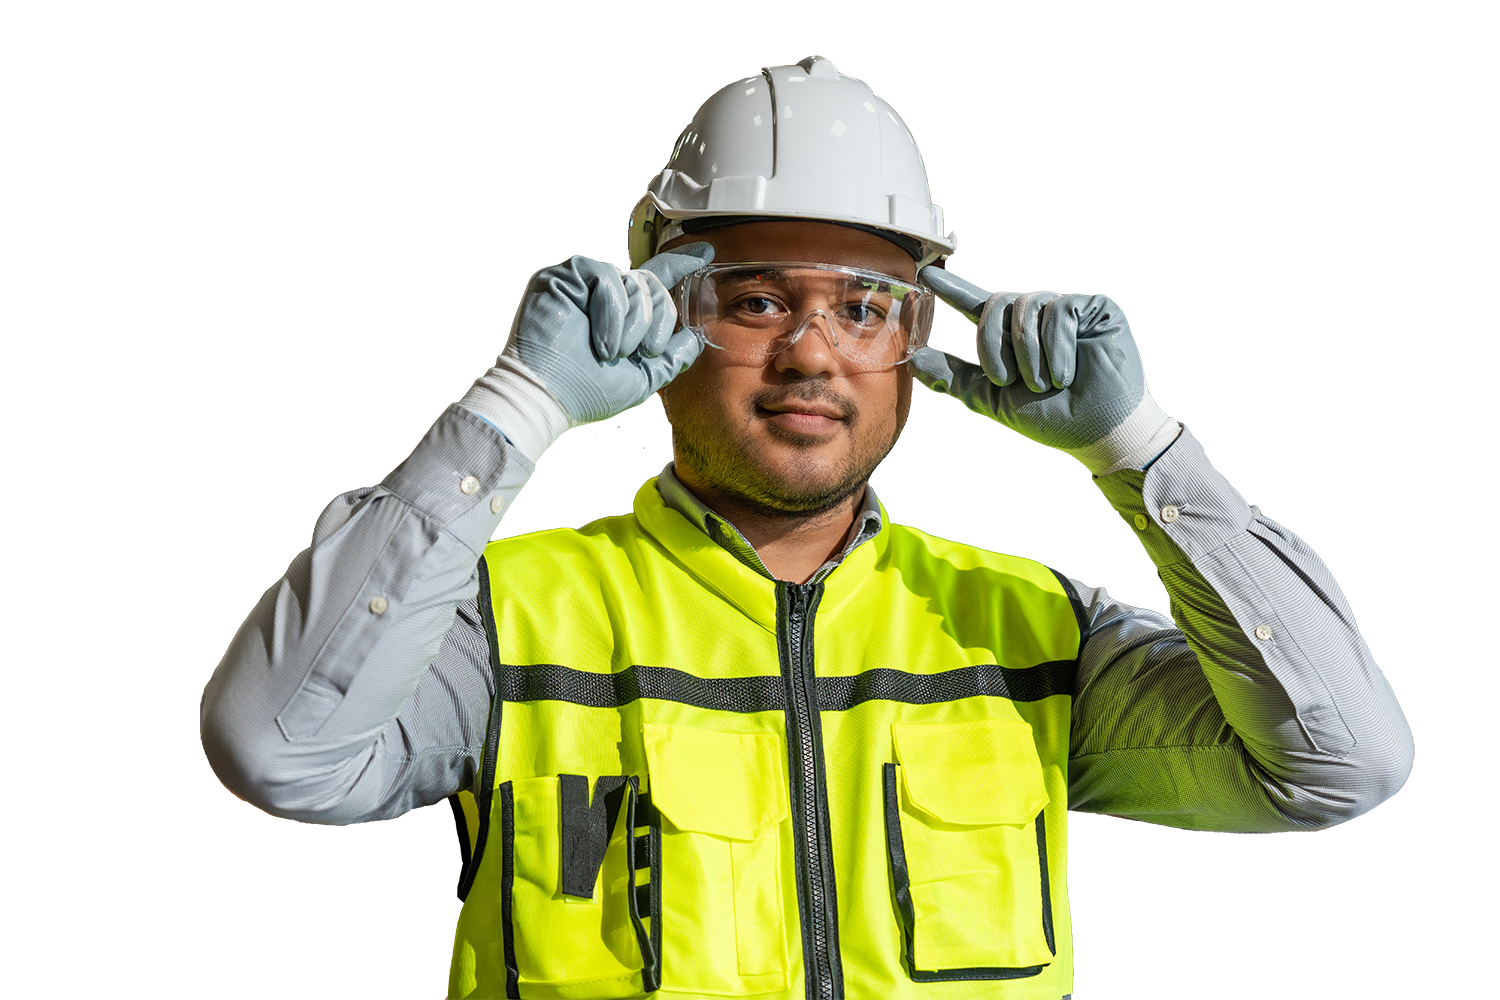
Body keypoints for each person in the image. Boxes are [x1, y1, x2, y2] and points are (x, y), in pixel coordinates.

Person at [200, 57, 1413, 1000]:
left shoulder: (1030, 628)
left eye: (867, 307)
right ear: (662, 328)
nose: (812, 353)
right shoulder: (515, 619)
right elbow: (280, 751)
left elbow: (1342, 762)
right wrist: (519, 404)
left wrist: (1136, 446)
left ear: (914, 349)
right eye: (759, 300)